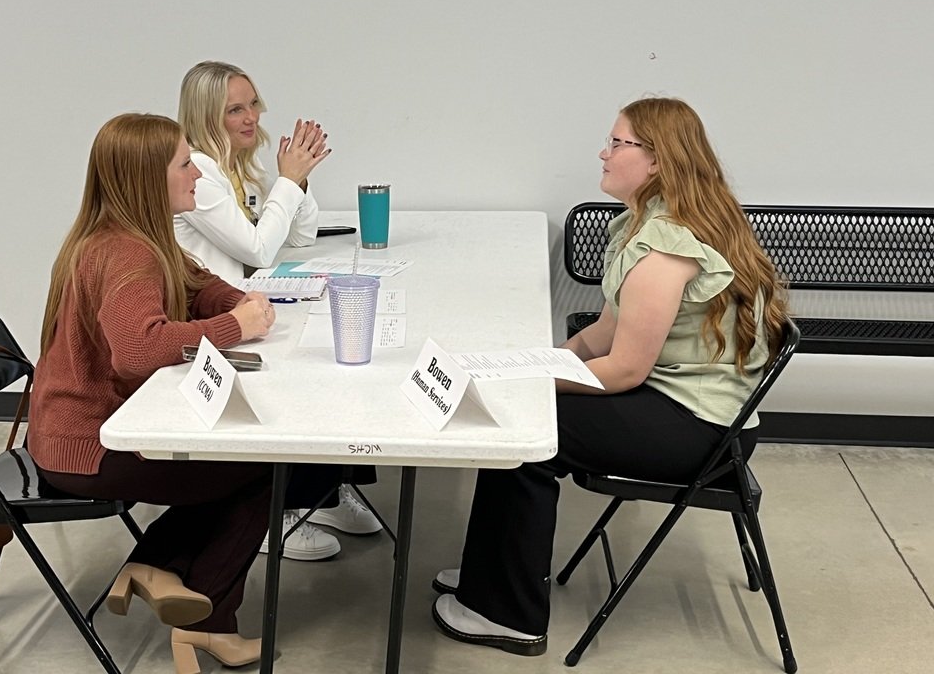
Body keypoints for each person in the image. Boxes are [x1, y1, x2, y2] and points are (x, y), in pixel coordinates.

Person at [431, 97, 790, 656]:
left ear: (658, 159)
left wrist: (529, 387)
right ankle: (491, 574)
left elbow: (623, 369)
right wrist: (534, 366)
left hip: (700, 430)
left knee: (528, 436)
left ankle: (506, 613)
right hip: (684, 405)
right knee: (525, 413)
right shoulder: (647, 221)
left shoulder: (665, 248)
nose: (604, 153)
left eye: (618, 143)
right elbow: (603, 333)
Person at [29, 113, 278, 673]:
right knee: (267, 466)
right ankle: (203, 618)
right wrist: (235, 326)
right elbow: (138, 350)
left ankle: (154, 567)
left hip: (72, 436)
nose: (198, 175)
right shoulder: (127, 253)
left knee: (235, 463)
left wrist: (239, 303)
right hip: (91, 450)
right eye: (186, 164)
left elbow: (195, 283)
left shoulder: (130, 234)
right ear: (148, 178)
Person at [175, 60, 381, 561]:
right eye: (235, 110)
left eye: (253, 104)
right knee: (313, 371)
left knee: (338, 350)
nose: (251, 117)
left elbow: (299, 236)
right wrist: (286, 182)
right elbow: (259, 249)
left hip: (247, 305)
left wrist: (298, 184)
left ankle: (327, 493)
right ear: (206, 117)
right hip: (210, 320)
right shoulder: (199, 173)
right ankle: (281, 513)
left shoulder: (239, 166)